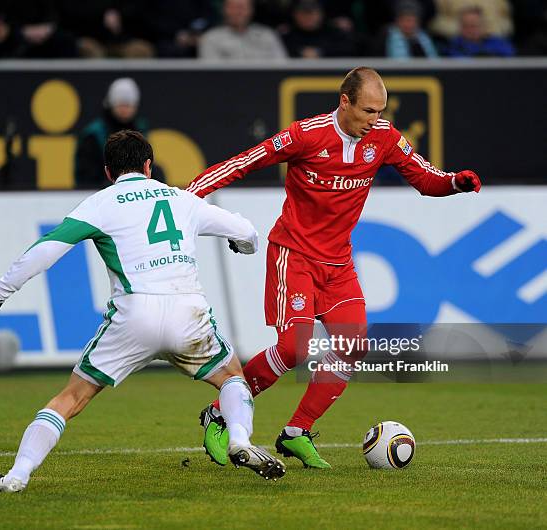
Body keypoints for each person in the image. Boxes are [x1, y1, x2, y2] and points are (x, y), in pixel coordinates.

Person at [187, 67, 481, 469]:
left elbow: (425, 179)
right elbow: (245, 162)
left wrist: (454, 183)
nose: (374, 120)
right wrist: (185, 197)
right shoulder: (306, 135)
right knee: (295, 347)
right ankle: (219, 413)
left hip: (338, 262)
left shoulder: (384, 137)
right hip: (294, 255)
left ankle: (295, 433)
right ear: (345, 101)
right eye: (367, 111)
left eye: (380, 111)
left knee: (352, 345)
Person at [0, 130, 286, 492]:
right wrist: (241, 245)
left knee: (71, 398)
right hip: (188, 312)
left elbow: (46, 250)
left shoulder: (101, 203)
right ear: (149, 165)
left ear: (108, 171)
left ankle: (17, 475)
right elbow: (246, 230)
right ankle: (240, 439)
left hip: (134, 315)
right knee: (232, 377)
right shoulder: (182, 199)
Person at [75, 78, 149, 190]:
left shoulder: (141, 129)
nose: (125, 109)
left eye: (128, 104)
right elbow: (86, 173)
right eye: (120, 104)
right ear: (111, 104)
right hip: (100, 190)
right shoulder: (94, 134)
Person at [198, 0, 287, 60]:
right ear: (224, 10)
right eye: (233, 7)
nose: (238, 12)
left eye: (242, 7)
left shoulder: (267, 35)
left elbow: (281, 65)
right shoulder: (211, 38)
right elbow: (210, 73)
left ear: (251, 10)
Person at [447, 6, 514, 57]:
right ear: (460, 27)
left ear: (483, 26)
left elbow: (510, 57)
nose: (470, 30)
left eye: (474, 26)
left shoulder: (498, 43)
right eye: (466, 26)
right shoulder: (453, 45)